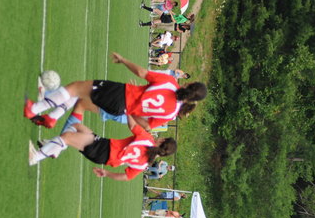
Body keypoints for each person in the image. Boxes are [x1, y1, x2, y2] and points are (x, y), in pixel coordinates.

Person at [23, 52, 207, 131]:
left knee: (76, 87)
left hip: (120, 93)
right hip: (121, 110)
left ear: (190, 84)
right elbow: (148, 126)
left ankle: (35, 109)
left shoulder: (170, 82)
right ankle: (52, 117)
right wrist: (132, 112)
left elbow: (142, 72)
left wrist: (124, 60)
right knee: (80, 96)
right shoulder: (171, 113)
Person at [29, 115, 176, 181]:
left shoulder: (148, 139)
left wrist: (128, 109)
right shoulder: (146, 163)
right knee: (76, 126)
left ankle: (36, 157)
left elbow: (132, 125)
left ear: (162, 140)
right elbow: (126, 177)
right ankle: (53, 148)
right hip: (104, 152)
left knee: (68, 137)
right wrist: (107, 173)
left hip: (104, 150)